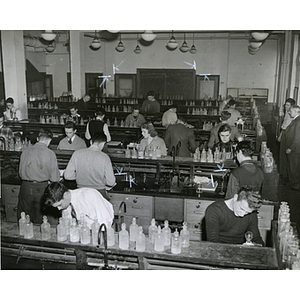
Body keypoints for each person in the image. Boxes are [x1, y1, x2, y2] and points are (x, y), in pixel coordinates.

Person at [17, 128, 60, 224]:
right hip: (42, 189)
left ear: (37, 138)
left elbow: (20, 173)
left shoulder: (25, 151)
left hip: (26, 188)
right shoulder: (50, 153)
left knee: (24, 218)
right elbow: (55, 178)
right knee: (42, 219)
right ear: (49, 140)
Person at [64, 132, 116, 200]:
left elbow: (67, 176)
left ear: (91, 142)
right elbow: (111, 182)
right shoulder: (105, 157)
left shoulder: (77, 153)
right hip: (99, 194)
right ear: (103, 144)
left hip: (81, 192)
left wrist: (80, 176)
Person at [44, 182, 114, 229]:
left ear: (66, 195)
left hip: (100, 231)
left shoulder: (89, 195)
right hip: (83, 233)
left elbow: (106, 221)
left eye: (59, 205)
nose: (59, 209)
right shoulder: (66, 206)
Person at [277, 98, 296, 181]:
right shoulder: (287, 113)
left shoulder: (291, 114)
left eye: (288, 105)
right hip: (284, 133)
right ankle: (283, 172)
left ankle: (284, 173)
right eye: (285, 105)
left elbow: (285, 127)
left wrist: (281, 136)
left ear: (292, 106)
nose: (285, 106)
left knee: (284, 154)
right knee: (282, 153)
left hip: (287, 135)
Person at [285, 105, 300, 190]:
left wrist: (291, 148)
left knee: (294, 166)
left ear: (295, 111)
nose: (289, 112)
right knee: (291, 165)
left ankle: (296, 184)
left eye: (290, 111)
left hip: (295, 149)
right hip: (293, 148)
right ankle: (292, 182)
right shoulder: (295, 120)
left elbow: (297, 138)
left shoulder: (298, 121)